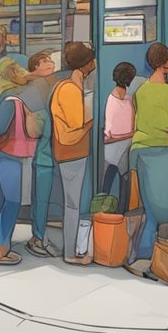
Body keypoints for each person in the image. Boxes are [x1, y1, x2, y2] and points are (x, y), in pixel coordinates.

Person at [129, 43, 168, 271]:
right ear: (165, 63)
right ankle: (148, 255)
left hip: (139, 150)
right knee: (167, 204)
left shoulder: (140, 91)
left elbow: (135, 121)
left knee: (150, 204)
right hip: (160, 151)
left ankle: (143, 254)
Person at [0, 56, 37, 266]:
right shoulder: (12, 97)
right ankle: (0, 250)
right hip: (9, 152)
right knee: (12, 201)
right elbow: (1, 128)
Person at [51, 43, 96, 265]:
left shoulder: (71, 85)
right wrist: (92, 119)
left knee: (73, 204)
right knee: (72, 205)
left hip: (72, 151)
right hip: (72, 151)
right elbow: (77, 122)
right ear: (86, 64)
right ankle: (70, 253)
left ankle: (71, 249)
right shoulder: (70, 89)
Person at [25, 50, 63, 259]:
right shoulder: (36, 88)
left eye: (49, 60)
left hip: (51, 150)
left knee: (43, 197)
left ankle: (39, 235)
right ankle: (38, 237)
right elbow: (36, 127)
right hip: (43, 152)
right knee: (41, 198)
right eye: (43, 61)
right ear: (35, 68)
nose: (49, 63)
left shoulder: (52, 84)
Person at [102, 62, 138, 202]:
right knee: (116, 185)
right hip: (117, 152)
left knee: (120, 186)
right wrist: (129, 135)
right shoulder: (120, 100)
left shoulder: (126, 100)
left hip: (119, 151)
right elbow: (107, 137)